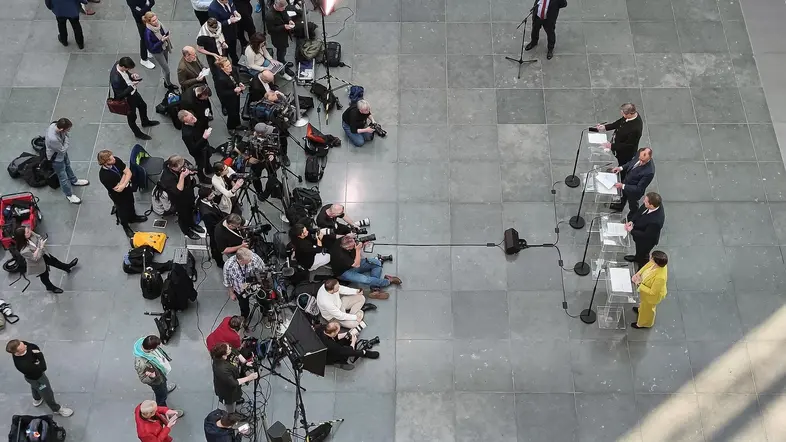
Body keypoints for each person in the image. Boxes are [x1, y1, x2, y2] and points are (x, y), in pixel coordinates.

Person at [6, 340, 74, 417]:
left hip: (30, 377)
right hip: (38, 378)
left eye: (23, 344)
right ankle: (56, 409)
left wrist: (36, 359)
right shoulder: (23, 365)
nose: (25, 346)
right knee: (46, 392)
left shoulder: (19, 345)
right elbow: (43, 368)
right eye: (23, 348)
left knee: (35, 386)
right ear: (17, 352)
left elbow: (32, 345)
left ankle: (37, 399)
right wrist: (39, 356)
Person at [97, 150, 148, 238]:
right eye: (110, 159)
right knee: (122, 210)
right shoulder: (104, 176)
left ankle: (133, 217)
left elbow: (129, 172)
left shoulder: (116, 160)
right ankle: (125, 226)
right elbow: (119, 189)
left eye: (112, 156)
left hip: (127, 189)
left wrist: (123, 182)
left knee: (131, 203)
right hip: (118, 196)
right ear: (104, 163)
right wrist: (125, 177)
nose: (113, 159)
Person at [110, 56, 161, 140]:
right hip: (127, 99)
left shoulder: (119, 63)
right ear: (123, 66)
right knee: (132, 117)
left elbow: (126, 75)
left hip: (133, 93)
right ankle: (137, 133)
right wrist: (132, 86)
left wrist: (131, 75)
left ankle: (145, 122)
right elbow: (120, 95)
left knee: (143, 106)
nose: (128, 70)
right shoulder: (116, 79)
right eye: (128, 69)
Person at [329, 236, 399, 296]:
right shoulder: (341, 256)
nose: (355, 245)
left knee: (376, 263)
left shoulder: (342, 240)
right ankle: (387, 281)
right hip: (343, 272)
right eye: (353, 246)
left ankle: (375, 289)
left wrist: (362, 244)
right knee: (366, 279)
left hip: (351, 263)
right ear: (348, 248)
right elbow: (357, 264)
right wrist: (358, 250)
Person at [14, 227, 77, 294]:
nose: (30, 231)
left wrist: (37, 250)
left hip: (43, 254)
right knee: (44, 275)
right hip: (38, 264)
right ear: (23, 236)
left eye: (28, 230)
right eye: (27, 232)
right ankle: (50, 287)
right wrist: (40, 247)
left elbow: (39, 237)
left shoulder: (30, 233)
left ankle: (66, 267)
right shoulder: (24, 250)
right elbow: (36, 258)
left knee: (55, 261)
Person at [158, 155, 205, 240]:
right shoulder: (166, 178)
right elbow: (177, 191)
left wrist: (192, 172)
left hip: (188, 192)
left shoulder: (181, 163)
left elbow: (192, 169)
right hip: (179, 200)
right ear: (174, 167)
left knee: (191, 209)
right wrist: (182, 177)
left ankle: (193, 224)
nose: (184, 167)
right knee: (183, 216)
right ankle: (187, 230)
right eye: (181, 167)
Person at [44, 118, 90, 204]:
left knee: (68, 166)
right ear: (62, 129)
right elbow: (62, 150)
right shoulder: (52, 138)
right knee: (63, 177)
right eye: (68, 130)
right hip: (56, 159)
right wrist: (67, 139)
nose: (69, 131)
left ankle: (74, 180)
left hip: (61, 155)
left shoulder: (54, 125)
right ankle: (69, 195)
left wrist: (65, 137)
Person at [211, 343, 258, 413]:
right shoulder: (221, 369)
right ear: (224, 356)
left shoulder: (226, 348)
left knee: (236, 395)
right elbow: (233, 382)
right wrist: (249, 377)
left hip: (235, 379)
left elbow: (236, 352)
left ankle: (236, 400)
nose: (230, 347)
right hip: (228, 391)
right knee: (231, 406)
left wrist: (245, 362)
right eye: (229, 349)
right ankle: (231, 417)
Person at [223, 247, 266, 324]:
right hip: (240, 290)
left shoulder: (254, 257)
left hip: (256, 287)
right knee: (243, 306)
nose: (251, 261)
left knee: (263, 300)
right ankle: (244, 318)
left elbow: (263, 270)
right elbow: (227, 281)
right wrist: (231, 293)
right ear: (240, 261)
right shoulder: (229, 265)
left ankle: (265, 314)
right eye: (248, 261)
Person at [266, 0, 307, 79]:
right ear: (277, 6)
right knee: (281, 52)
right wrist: (284, 27)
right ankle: (282, 68)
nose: (284, 9)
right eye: (283, 8)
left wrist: (289, 20)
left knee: (283, 51)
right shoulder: (270, 16)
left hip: (284, 34)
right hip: (278, 38)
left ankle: (284, 62)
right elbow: (271, 30)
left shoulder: (282, 9)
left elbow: (285, 14)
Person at [594, 103, 643, 168]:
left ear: (629, 114)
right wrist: (605, 127)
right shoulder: (630, 116)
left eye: (623, 114)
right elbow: (620, 122)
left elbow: (628, 145)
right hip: (618, 142)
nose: (622, 115)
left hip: (625, 153)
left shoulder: (636, 129)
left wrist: (611, 146)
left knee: (621, 165)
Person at [624, 192, 665, 267]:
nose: (643, 202)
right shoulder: (652, 203)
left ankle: (641, 266)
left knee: (643, 254)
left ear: (651, 205)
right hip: (640, 232)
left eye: (646, 202)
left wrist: (631, 230)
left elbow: (646, 235)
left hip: (646, 241)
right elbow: (640, 211)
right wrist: (632, 221)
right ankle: (637, 258)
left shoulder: (656, 221)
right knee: (639, 250)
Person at [134, 335, 177, 407]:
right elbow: (143, 379)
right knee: (161, 396)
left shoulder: (145, 342)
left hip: (160, 374)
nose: (158, 348)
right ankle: (162, 409)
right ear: (151, 350)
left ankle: (165, 390)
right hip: (156, 381)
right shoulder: (141, 363)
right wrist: (152, 377)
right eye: (157, 347)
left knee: (163, 385)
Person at [610, 147, 655, 213]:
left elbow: (639, 188)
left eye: (643, 161)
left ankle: (633, 217)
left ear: (650, 158)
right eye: (640, 159)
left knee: (633, 206)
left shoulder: (649, 172)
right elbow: (632, 162)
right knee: (623, 195)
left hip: (633, 192)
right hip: (627, 182)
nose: (641, 162)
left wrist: (623, 186)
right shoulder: (640, 151)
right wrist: (621, 168)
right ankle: (619, 206)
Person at [630, 250, 668, 329]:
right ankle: (641, 310)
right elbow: (646, 266)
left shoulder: (660, 277)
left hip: (651, 297)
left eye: (651, 257)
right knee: (644, 306)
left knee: (648, 310)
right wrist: (638, 274)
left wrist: (639, 283)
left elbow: (652, 291)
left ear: (656, 262)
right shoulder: (655, 263)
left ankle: (643, 324)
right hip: (645, 292)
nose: (650, 257)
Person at [179, 110, 213, 182]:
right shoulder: (187, 134)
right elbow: (193, 149)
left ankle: (208, 169)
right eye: (191, 119)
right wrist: (204, 137)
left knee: (207, 158)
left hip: (204, 144)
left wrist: (205, 118)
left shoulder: (193, 119)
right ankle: (202, 178)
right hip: (198, 152)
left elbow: (201, 126)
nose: (194, 118)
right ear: (186, 122)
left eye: (192, 116)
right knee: (200, 165)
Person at [142, 12, 174, 88]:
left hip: (164, 47)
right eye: (153, 21)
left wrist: (166, 34)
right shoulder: (148, 33)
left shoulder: (159, 24)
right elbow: (151, 48)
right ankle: (168, 84)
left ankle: (165, 79)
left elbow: (163, 32)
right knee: (167, 70)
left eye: (156, 19)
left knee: (165, 64)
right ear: (149, 22)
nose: (156, 21)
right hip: (157, 52)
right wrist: (161, 41)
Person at [198, 187, 228, 266]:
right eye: (211, 195)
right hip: (214, 230)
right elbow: (213, 225)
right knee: (216, 246)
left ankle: (215, 255)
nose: (213, 195)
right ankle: (219, 262)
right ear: (205, 198)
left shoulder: (206, 201)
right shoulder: (206, 213)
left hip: (217, 221)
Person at [213, 57, 245, 131]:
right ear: (222, 68)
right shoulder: (220, 79)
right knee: (231, 113)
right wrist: (234, 91)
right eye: (227, 66)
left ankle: (238, 124)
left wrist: (239, 82)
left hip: (236, 95)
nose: (230, 66)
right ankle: (230, 128)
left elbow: (236, 76)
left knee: (236, 110)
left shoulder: (232, 69)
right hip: (228, 99)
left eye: (229, 64)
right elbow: (222, 93)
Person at [208, 0, 242, 65]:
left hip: (233, 30)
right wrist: (229, 21)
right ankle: (226, 66)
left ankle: (235, 62)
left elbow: (232, 5)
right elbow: (215, 25)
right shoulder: (213, 9)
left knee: (233, 47)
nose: (228, 1)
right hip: (223, 35)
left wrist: (235, 11)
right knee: (225, 52)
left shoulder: (229, 0)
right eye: (226, 1)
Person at [126, 0, 157, 69]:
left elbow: (152, 2)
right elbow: (138, 12)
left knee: (151, 33)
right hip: (140, 21)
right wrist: (147, 5)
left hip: (149, 16)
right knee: (144, 38)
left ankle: (149, 49)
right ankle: (144, 59)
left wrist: (146, 6)